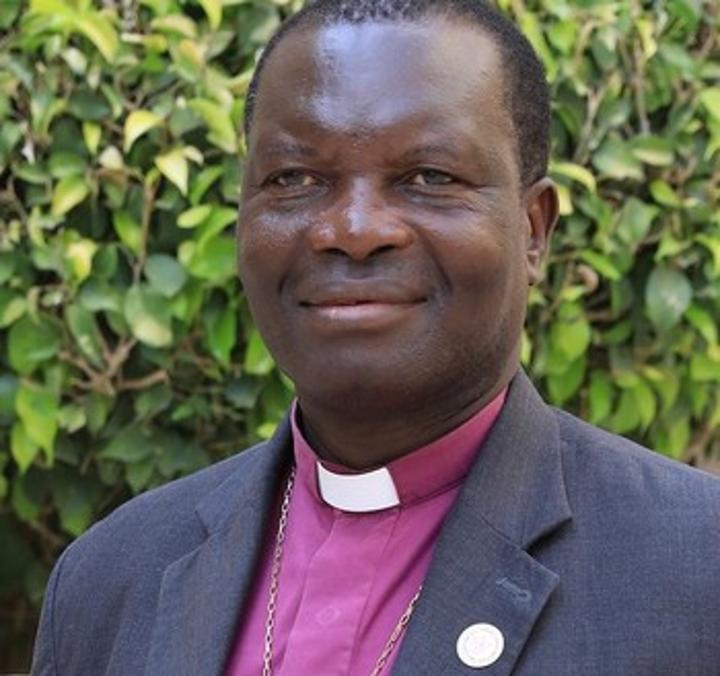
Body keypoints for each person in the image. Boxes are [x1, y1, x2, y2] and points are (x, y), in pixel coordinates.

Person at [31, 1, 720, 675]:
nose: (353, 230)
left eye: (429, 177)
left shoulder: (697, 568)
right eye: (294, 178)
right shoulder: (108, 581)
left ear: (533, 230)